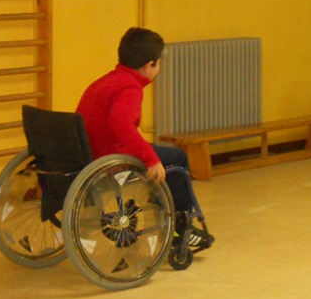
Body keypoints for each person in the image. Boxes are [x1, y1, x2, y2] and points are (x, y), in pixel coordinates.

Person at [75, 27, 212, 251]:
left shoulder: (105, 81)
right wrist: (150, 159)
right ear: (149, 65)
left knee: (162, 154)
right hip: (108, 158)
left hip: (90, 152)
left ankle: (163, 208)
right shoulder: (129, 87)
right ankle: (181, 228)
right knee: (176, 160)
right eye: (158, 64)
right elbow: (120, 124)